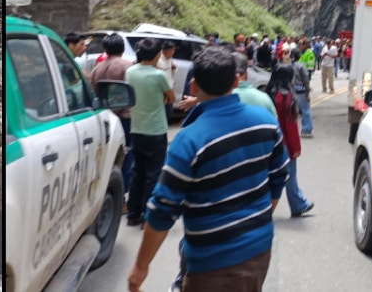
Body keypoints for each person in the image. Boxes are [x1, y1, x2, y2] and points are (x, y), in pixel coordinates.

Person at [127, 46, 289, 292]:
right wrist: (256, 218)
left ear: (193, 86)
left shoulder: (189, 140)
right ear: (236, 81)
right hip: (259, 251)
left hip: (211, 265)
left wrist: (141, 267)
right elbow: (279, 176)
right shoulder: (266, 123)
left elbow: (162, 210)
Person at [125, 38, 175, 227]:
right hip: (156, 129)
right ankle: (148, 215)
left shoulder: (129, 71)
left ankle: (132, 213)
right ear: (156, 55)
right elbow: (171, 98)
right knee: (153, 174)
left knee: (137, 172)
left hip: (136, 128)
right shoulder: (158, 75)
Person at [267, 65, 315, 218]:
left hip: (268, 142)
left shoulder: (269, 94)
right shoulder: (287, 97)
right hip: (285, 145)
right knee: (290, 176)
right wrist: (296, 147)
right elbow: (291, 126)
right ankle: (298, 204)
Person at [90, 34, 135, 195]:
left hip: (105, 118)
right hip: (125, 119)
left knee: (108, 158)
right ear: (123, 49)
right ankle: (121, 193)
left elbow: (93, 91)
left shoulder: (97, 69)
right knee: (126, 156)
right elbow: (130, 93)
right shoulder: (127, 66)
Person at [293, 52, 314, 137]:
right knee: (305, 110)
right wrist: (308, 91)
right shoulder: (301, 66)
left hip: (292, 90)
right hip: (301, 90)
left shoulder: (288, 65)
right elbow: (306, 79)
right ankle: (306, 130)